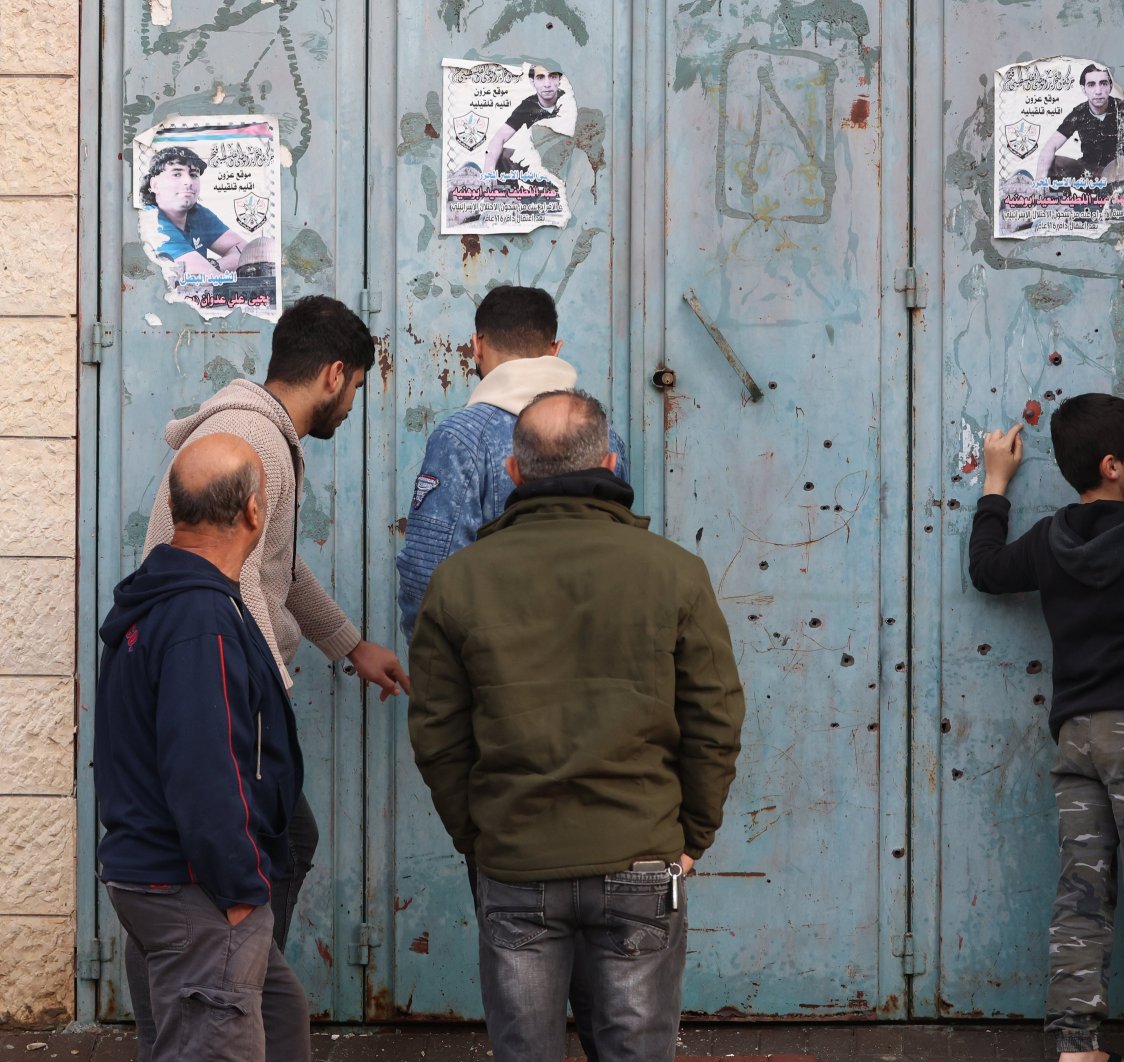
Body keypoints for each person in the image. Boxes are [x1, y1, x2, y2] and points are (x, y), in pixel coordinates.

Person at [409, 389, 746, 1061]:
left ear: (513, 472)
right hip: (642, 854)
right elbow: (714, 717)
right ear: (612, 463)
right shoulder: (675, 573)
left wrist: (480, 839)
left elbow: (438, 735)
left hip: (516, 858)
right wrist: (693, 839)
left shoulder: (458, 581)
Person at [143, 294, 410, 953]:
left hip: (209, 679)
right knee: (273, 843)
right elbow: (232, 581)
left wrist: (348, 644)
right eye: (354, 390)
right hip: (218, 690)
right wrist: (264, 701)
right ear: (333, 374)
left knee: (238, 849)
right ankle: (239, 993)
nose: (350, 407)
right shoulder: (255, 438)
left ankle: (228, 995)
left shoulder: (261, 434)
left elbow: (275, 569)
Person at [969, 395, 1124, 1062]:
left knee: (1082, 892)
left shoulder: (1049, 541)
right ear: (1112, 465)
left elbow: (986, 571)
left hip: (1077, 737)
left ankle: (1076, 1046)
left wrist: (995, 482)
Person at [96, 435, 311, 1062]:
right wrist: (242, 888)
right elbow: (204, 769)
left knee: (280, 1013)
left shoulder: (168, 600)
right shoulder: (199, 617)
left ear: (175, 502)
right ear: (252, 511)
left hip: (161, 879)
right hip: (195, 887)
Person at [396, 284, 628, 642]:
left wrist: (435, 670)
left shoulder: (460, 438)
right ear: (555, 350)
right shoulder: (605, 437)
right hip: (596, 658)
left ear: (477, 345)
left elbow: (427, 573)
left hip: (492, 669)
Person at [140, 145, 251, 279]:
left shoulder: (198, 213)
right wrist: (211, 271)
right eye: (176, 174)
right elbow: (207, 279)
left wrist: (214, 266)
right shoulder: (151, 223)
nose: (188, 182)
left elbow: (248, 252)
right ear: (155, 185)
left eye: (193, 175)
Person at [1033, 64, 1124, 183]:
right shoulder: (1079, 112)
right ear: (1084, 89)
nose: (1098, 91)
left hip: (1116, 172)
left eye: (1103, 83)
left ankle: (1116, 197)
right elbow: (1050, 147)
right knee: (1054, 162)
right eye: (1091, 84)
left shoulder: (1120, 107)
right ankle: (1063, 200)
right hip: (1089, 174)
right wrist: (1039, 182)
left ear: (1110, 86)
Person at [484, 64, 568, 171]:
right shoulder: (528, 105)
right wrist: (488, 171)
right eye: (540, 78)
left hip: (567, 156)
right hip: (540, 160)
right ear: (533, 82)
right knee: (500, 155)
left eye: (552, 76)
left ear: (559, 80)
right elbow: (499, 137)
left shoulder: (568, 100)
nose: (547, 84)